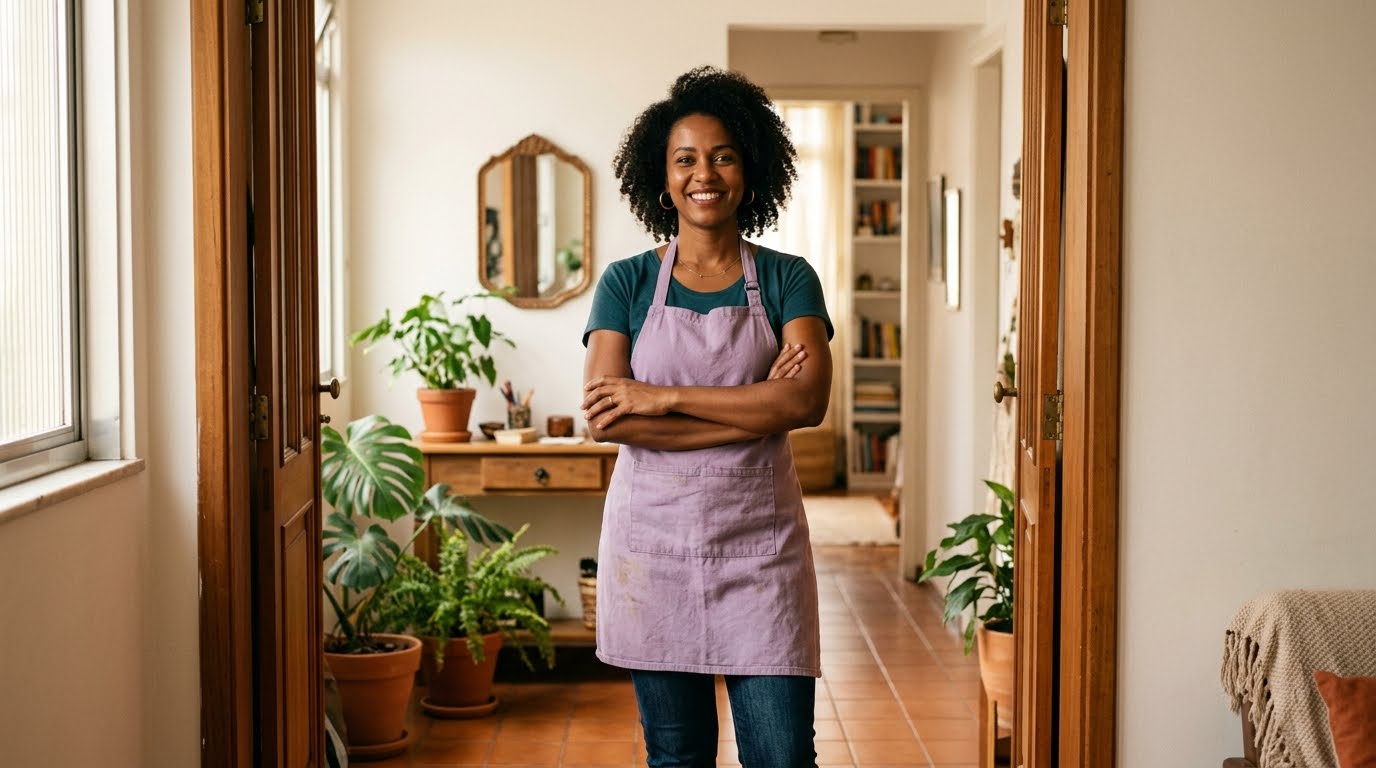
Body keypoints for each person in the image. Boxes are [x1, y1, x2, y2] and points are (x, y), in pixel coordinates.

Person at [581, 65, 833, 768]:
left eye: (722, 156)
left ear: (748, 171)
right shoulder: (627, 282)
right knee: (677, 756)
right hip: (653, 552)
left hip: (762, 554)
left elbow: (807, 401)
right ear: (662, 180)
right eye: (685, 159)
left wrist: (661, 396)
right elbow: (608, 415)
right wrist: (756, 411)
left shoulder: (788, 277)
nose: (705, 174)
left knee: (783, 756)